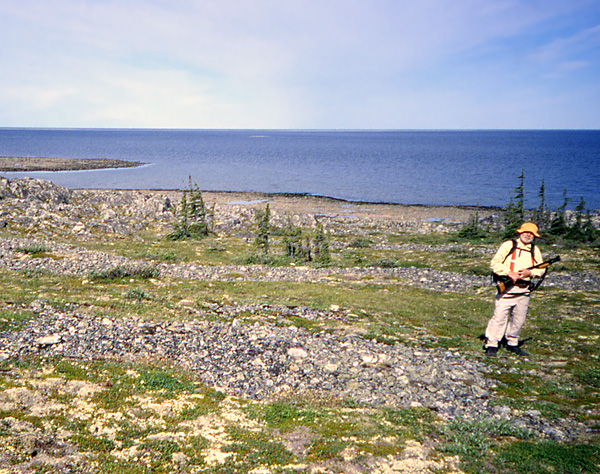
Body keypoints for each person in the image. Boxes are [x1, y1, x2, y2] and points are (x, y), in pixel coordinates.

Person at [484, 222, 544, 357]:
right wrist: (508, 272)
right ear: (520, 232)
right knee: (499, 317)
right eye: (526, 232)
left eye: (532, 233)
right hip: (507, 289)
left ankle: (512, 343)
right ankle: (492, 345)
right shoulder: (509, 245)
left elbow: (541, 269)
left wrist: (531, 273)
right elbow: (495, 263)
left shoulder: (535, 250)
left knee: (519, 319)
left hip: (524, 290)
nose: (528, 235)